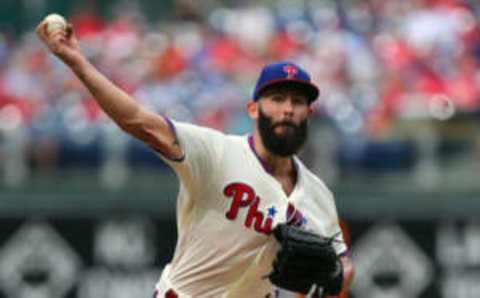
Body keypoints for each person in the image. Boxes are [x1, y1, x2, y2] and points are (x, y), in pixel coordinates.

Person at [36, 17, 354, 298]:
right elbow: (135, 119)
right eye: (277, 98)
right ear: (253, 109)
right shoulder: (216, 152)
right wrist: (76, 62)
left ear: (309, 113)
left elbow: (343, 264)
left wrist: (337, 274)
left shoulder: (317, 196)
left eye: (297, 101)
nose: (287, 109)